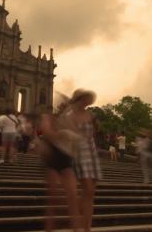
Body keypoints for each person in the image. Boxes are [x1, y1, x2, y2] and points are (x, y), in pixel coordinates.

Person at [38, 112, 81, 232]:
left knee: (72, 196)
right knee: (54, 198)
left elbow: (77, 138)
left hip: (66, 158)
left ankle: (76, 229)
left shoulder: (68, 119)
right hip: (53, 158)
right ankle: (49, 228)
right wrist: (62, 133)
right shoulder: (48, 117)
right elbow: (46, 133)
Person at [67, 89, 102, 232]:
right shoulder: (70, 115)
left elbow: (93, 133)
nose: (88, 102)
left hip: (91, 151)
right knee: (87, 189)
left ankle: (86, 228)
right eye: (86, 99)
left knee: (90, 193)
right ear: (79, 99)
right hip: (79, 152)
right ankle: (76, 222)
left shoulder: (90, 115)